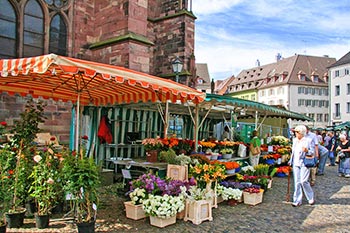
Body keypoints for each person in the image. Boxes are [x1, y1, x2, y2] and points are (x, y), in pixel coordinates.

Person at [288, 125, 315, 207]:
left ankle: (310, 197)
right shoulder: (295, 140)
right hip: (295, 163)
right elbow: (293, 152)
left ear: (301, 133)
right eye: (295, 132)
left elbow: (312, 152)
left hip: (304, 163)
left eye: (297, 132)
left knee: (304, 181)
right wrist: (290, 160)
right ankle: (297, 200)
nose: (295, 134)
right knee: (297, 182)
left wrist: (307, 151)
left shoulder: (308, 141)